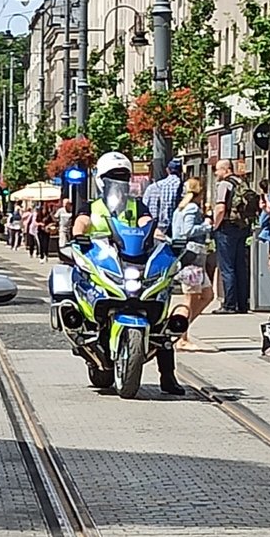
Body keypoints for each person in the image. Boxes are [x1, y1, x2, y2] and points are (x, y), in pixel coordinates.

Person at [72, 151, 183, 395]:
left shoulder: (136, 204)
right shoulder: (93, 206)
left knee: (161, 316)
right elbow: (81, 222)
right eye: (114, 177)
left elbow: (148, 224)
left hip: (133, 263)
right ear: (102, 179)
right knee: (77, 289)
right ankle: (81, 327)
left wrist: (160, 238)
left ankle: (168, 377)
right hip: (104, 263)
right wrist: (79, 234)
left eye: (123, 177)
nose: (119, 182)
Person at [171, 176, 215, 352]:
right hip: (192, 255)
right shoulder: (191, 208)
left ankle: (181, 327)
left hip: (191, 255)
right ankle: (181, 337)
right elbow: (187, 230)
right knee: (191, 297)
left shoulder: (180, 209)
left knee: (207, 294)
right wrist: (206, 225)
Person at [211, 158, 251, 314]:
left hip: (227, 228)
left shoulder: (224, 184)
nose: (216, 172)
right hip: (242, 227)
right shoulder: (242, 182)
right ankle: (242, 304)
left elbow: (220, 208)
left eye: (218, 169)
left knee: (227, 267)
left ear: (226, 170)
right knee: (240, 266)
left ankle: (229, 305)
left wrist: (215, 226)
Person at [142, 159, 183, 237]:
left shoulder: (153, 187)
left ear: (167, 170)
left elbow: (144, 206)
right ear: (181, 171)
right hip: (176, 230)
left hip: (155, 230)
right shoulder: (185, 187)